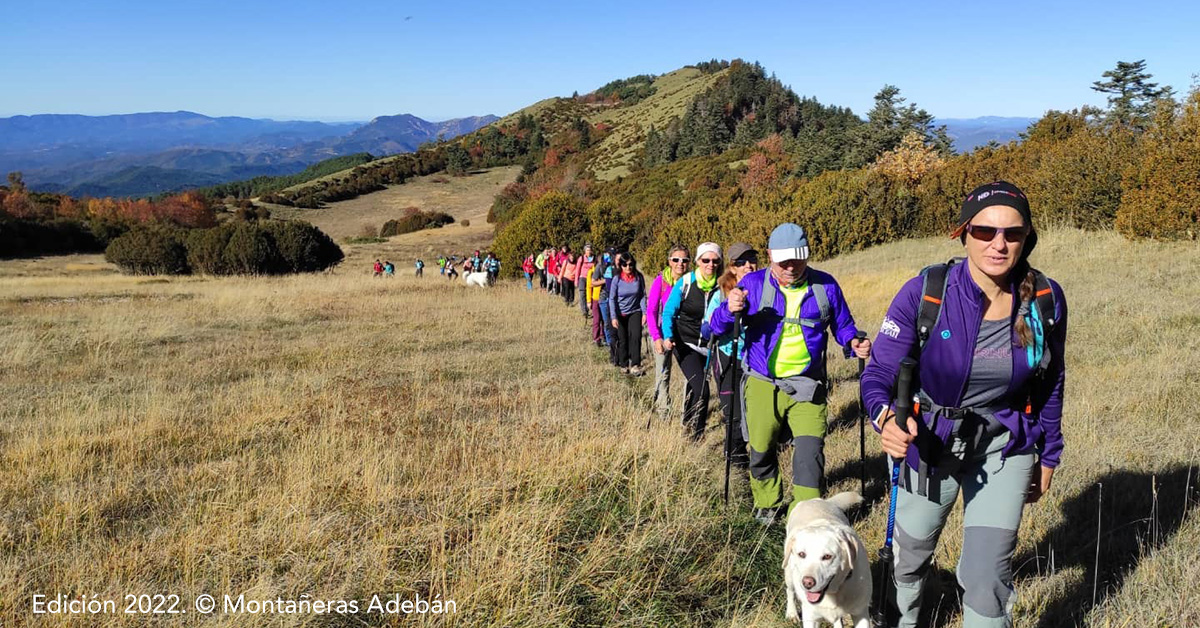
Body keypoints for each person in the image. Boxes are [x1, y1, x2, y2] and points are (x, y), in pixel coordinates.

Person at [861, 181, 1067, 628]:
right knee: (907, 560)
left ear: (1027, 236)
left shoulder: (1045, 301)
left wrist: (1049, 453)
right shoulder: (926, 293)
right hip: (930, 444)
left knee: (986, 573)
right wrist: (884, 419)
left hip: (1004, 447)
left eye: (1012, 233)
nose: (999, 243)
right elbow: (878, 374)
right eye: (984, 231)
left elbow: (1051, 381)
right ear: (962, 233)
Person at [710, 223, 870, 523]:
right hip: (761, 381)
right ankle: (767, 502)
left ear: (807, 255)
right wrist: (728, 309)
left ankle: (806, 514)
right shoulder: (753, 285)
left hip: (808, 385)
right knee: (761, 449)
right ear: (770, 255)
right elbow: (718, 328)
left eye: (797, 259)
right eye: (783, 262)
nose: (790, 267)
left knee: (810, 453)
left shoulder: (826, 286)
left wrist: (854, 342)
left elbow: (844, 326)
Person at [701, 242, 758, 468]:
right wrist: (726, 313)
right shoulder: (721, 293)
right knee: (733, 414)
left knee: (755, 414)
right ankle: (737, 465)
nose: (749, 265)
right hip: (727, 356)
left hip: (755, 359)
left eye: (752, 259)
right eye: (742, 262)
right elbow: (706, 330)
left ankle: (757, 460)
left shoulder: (764, 287)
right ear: (732, 267)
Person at [661, 243, 723, 440]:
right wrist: (668, 336)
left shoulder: (722, 285)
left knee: (696, 385)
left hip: (710, 346)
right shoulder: (686, 282)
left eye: (715, 261)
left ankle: (687, 422)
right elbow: (669, 311)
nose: (710, 264)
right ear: (697, 261)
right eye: (706, 260)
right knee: (702, 389)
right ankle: (697, 436)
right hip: (684, 343)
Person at [647, 246, 690, 418]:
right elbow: (651, 311)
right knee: (663, 373)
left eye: (685, 260)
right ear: (669, 261)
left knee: (690, 375)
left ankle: (689, 411)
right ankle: (664, 410)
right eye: (676, 259)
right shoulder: (661, 281)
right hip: (663, 334)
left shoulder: (692, 281)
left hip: (686, 334)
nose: (680, 263)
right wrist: (656, 337)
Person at [608, 252, 648, 376]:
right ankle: (624, 364)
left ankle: (635, 364)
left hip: (635, 311)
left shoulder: (638, 277)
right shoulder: (617, 279)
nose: (628, 267)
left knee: (636, 336)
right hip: (620, 313)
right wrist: (613, 317)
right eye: (624, 264)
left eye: (630, 264)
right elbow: (612, 298)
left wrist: (644, 313)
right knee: (623, 339)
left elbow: (642, 295)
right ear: (621, 265)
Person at [592, 248, 618, 361]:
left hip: (616, 297)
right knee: (607, 321)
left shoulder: (618, 266)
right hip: (604, 297)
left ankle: (615, 342)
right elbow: (593, 282)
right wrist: (606, 280)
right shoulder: (600, 266)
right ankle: (609, 343)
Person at [577, 244, 596, 320]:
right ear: (585, 251)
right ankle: (584, 311)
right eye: (587, 250)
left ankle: (589, 309)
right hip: (582, 278)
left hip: (591, 278)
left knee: (590, 294)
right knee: (582, 294)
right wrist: (576, 280)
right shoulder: (581, 258)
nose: (589, 251)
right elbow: (578, 269)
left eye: (590, 250)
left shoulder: (594, 258)